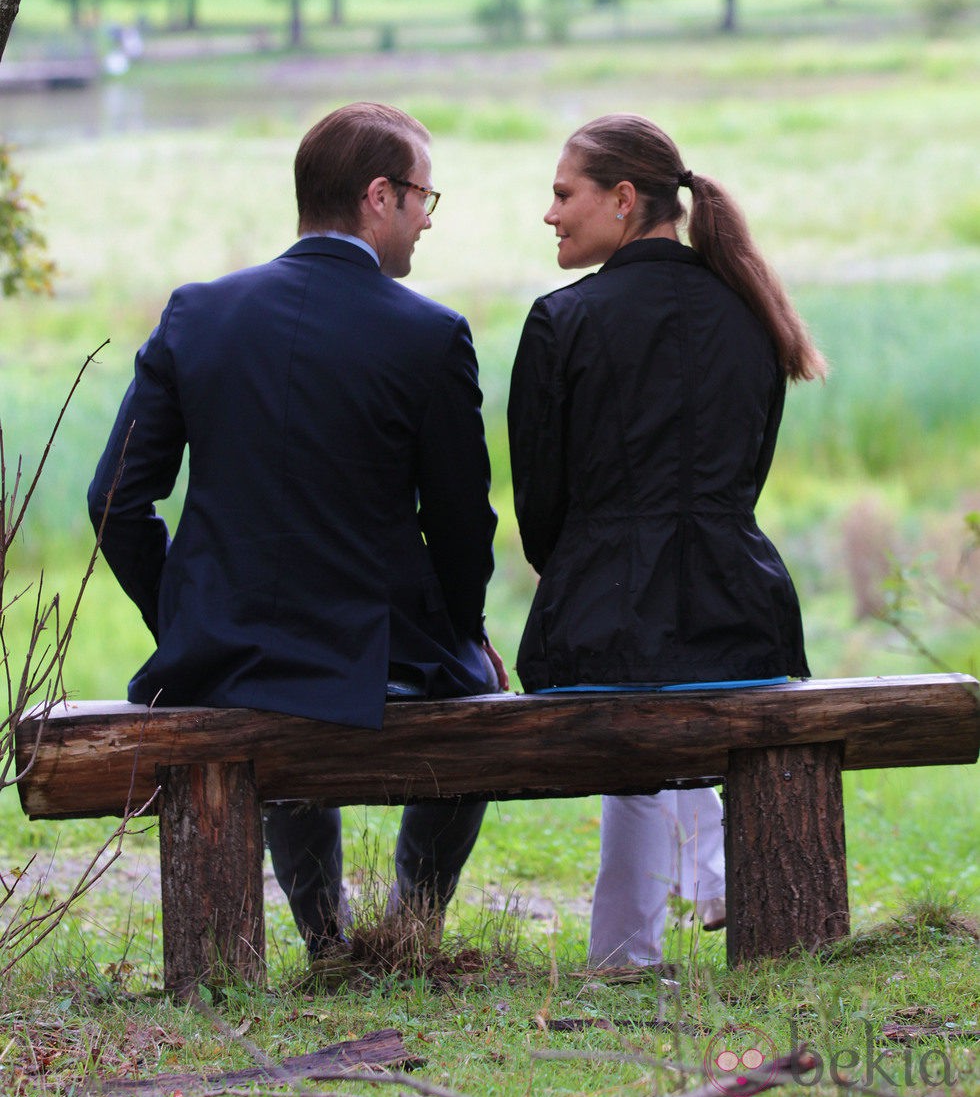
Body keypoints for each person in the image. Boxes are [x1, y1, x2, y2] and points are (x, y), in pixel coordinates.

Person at [89, 101, 506, 959]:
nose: (429, 218)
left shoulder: (196, 313)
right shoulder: (429, 334)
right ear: (379, 195)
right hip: (382, 652)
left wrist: (186, 617)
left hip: (227, 650)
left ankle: (325, 939)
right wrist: (467, 635)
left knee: (272, 697)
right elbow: (462, 524)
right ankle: (412, 922)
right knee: (483, 707)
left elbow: (114, 501)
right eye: (427, 196)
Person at [507, 113, 824, 971]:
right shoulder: (753, 311)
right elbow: (746, 476)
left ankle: (627, 951)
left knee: (632, 715)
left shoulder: (561, 320)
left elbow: (540, 500)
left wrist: (579, 569)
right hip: (746, 614)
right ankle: (704, 886)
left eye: (562, 194)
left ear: (622, 198)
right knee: (669, 691)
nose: (550, 214)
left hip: (604, 614)